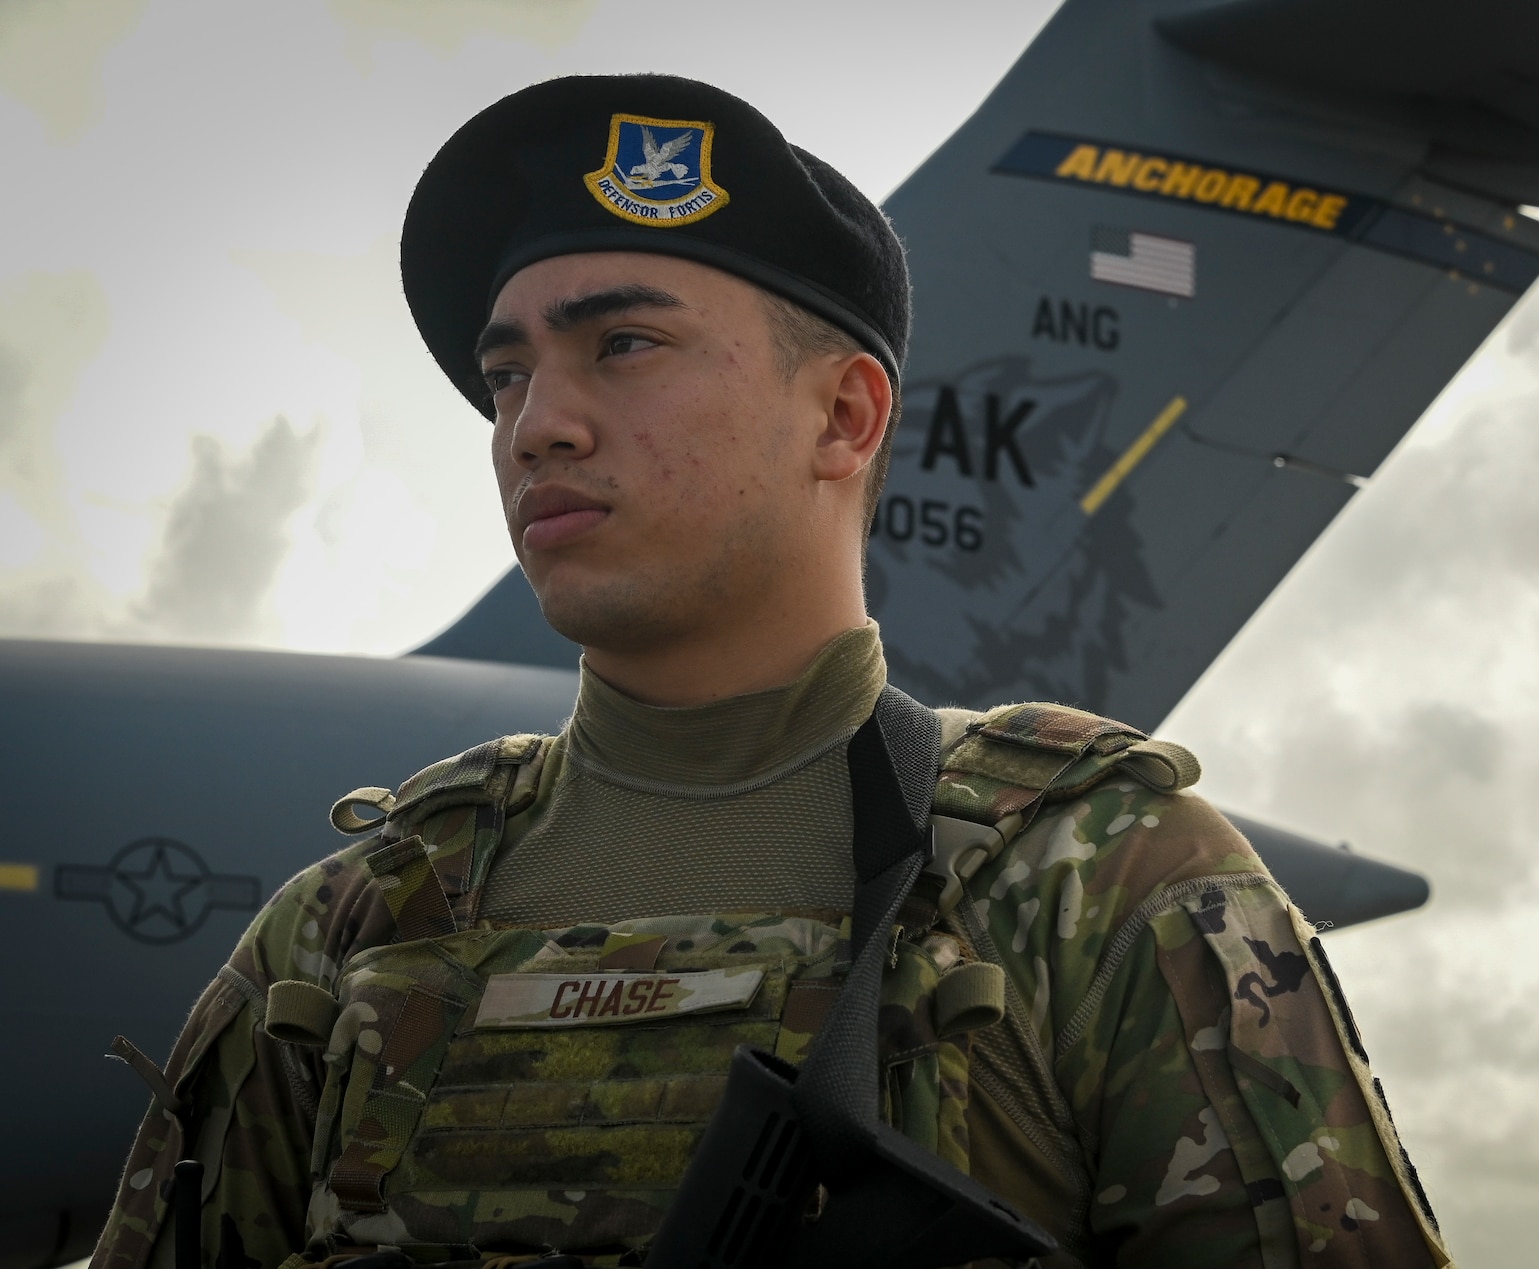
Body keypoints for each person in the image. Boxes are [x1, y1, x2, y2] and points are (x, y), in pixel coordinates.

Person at [91, 75, 1450, 1269]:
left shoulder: (1096, 882)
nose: (534, 426)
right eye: (507, 376)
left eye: (623, 345)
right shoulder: (347, 928)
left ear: (846, 416)